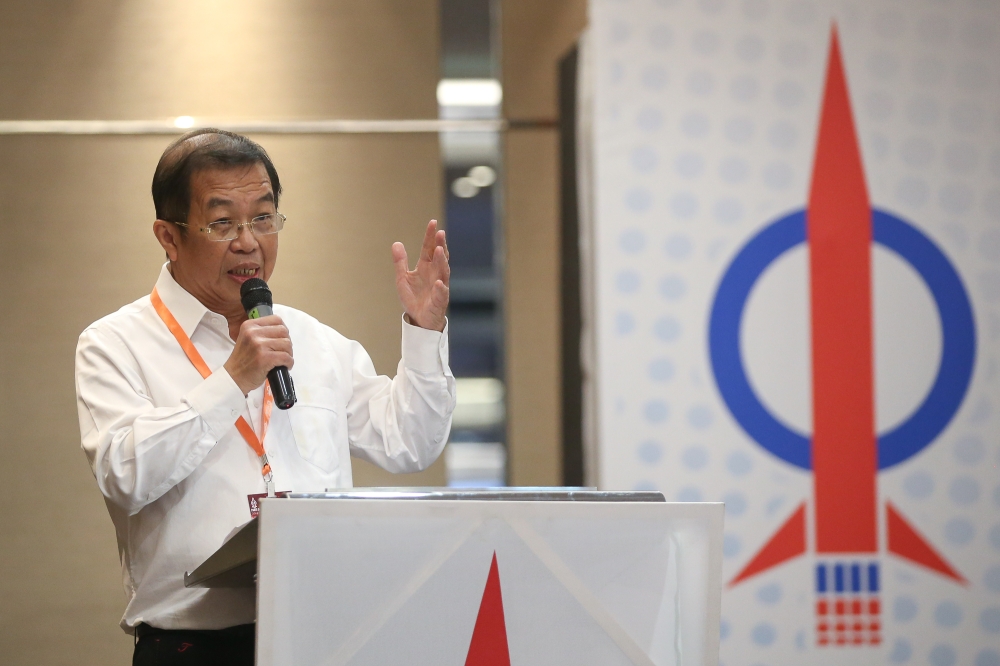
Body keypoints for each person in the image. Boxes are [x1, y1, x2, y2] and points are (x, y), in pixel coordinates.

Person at [74, 129, 456, 665]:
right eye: (222, 221)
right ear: (169, 235)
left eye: (263, 217)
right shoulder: (115, 343)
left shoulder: (315, 340)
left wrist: (424, 330)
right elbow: (125, 476)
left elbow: (408, 443)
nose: (248, 241)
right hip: (195, 647)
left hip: (323, 634)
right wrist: (232, 381)